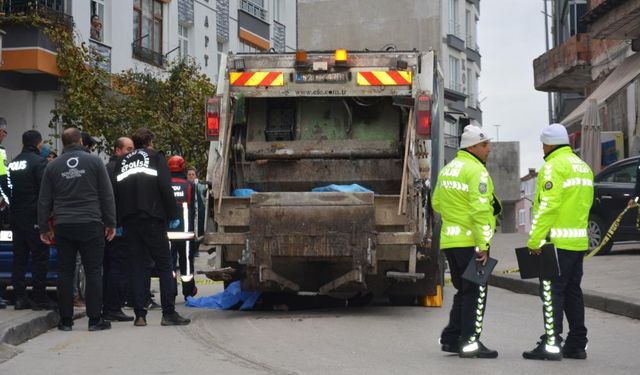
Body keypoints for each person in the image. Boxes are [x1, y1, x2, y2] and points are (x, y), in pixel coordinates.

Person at [523, 123, 593, 360]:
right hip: (578, 243)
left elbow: (547, 207)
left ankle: (551, 344)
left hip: (557, 244)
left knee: (552, 293)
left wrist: (535, 240)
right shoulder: (583, 167)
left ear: (550, 144)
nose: (542, 148)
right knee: (573, 292)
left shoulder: (553, 167)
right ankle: (577, 344)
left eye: (543, 144)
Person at [432, 125, 501, 359]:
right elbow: (480, 210)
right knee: (476, 292)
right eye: (484, 145)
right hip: (471, 242)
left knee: (463, 291)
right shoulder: (476, 172)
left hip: (451, 242)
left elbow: (436, 204)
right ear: (471, 147)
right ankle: (470, 342)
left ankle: (452, 338)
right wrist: (483, 244)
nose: (488, 149)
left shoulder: (448, 170)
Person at [38, 128, 116, 332]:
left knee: (65, 272)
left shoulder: (53, 166)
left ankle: (65, 320)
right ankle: (94, 319)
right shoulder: (94, 162)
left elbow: (44, 199)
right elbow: (106, 195)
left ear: (63, 144)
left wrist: (45, 227)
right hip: (90, 223)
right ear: (81, 141)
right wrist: (111, 223)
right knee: (93, 271)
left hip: (63, 225)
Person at [114, 128, 190, 327]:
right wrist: (173, 215)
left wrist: (118, 221)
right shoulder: (156, 157)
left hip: (130, 220)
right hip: (153, 218)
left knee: (138, 267)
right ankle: (169, 313)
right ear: (149, 142)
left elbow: (116, 191)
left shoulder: (123, 161)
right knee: (165, 266)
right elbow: (165, 186)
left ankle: (140, 315)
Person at [8, 130, 56, 310]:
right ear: (38, 144)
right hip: (34, 216)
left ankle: (20, 297)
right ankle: (40, 297)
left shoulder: (13, 163)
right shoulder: (39, 162)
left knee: (19, 257)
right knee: (39, 257)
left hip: (16, 216)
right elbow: (45, 192)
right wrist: (48, 216)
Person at [102, 137, 135, 322]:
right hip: (118, 225)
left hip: (108, 224)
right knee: (118, 267)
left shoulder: (106, 168)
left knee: (108, 267)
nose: (131, 152)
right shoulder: (120, 169)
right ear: (117, 150)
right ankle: (113, 307)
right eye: (128, 149)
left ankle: (108, 306)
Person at [167, 156, 197, 299]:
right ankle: (188, 292)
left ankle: (171, 291)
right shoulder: (189, 185)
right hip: (185, 233)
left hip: (168, 233)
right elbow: (197, 210)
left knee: (169, 263)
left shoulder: (164, 184)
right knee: (186, 262)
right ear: (183, 167)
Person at [186, 166, 207, 257]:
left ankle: (196, 250)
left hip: (199, 210)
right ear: (186, 175)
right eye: (189, 174)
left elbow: (206, 191)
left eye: (193, 174)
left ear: (195, 176)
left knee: (199, 230)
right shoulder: (185, 185)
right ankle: (189, 250)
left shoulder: (201, 185)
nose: (191, 176)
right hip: (188, 211)